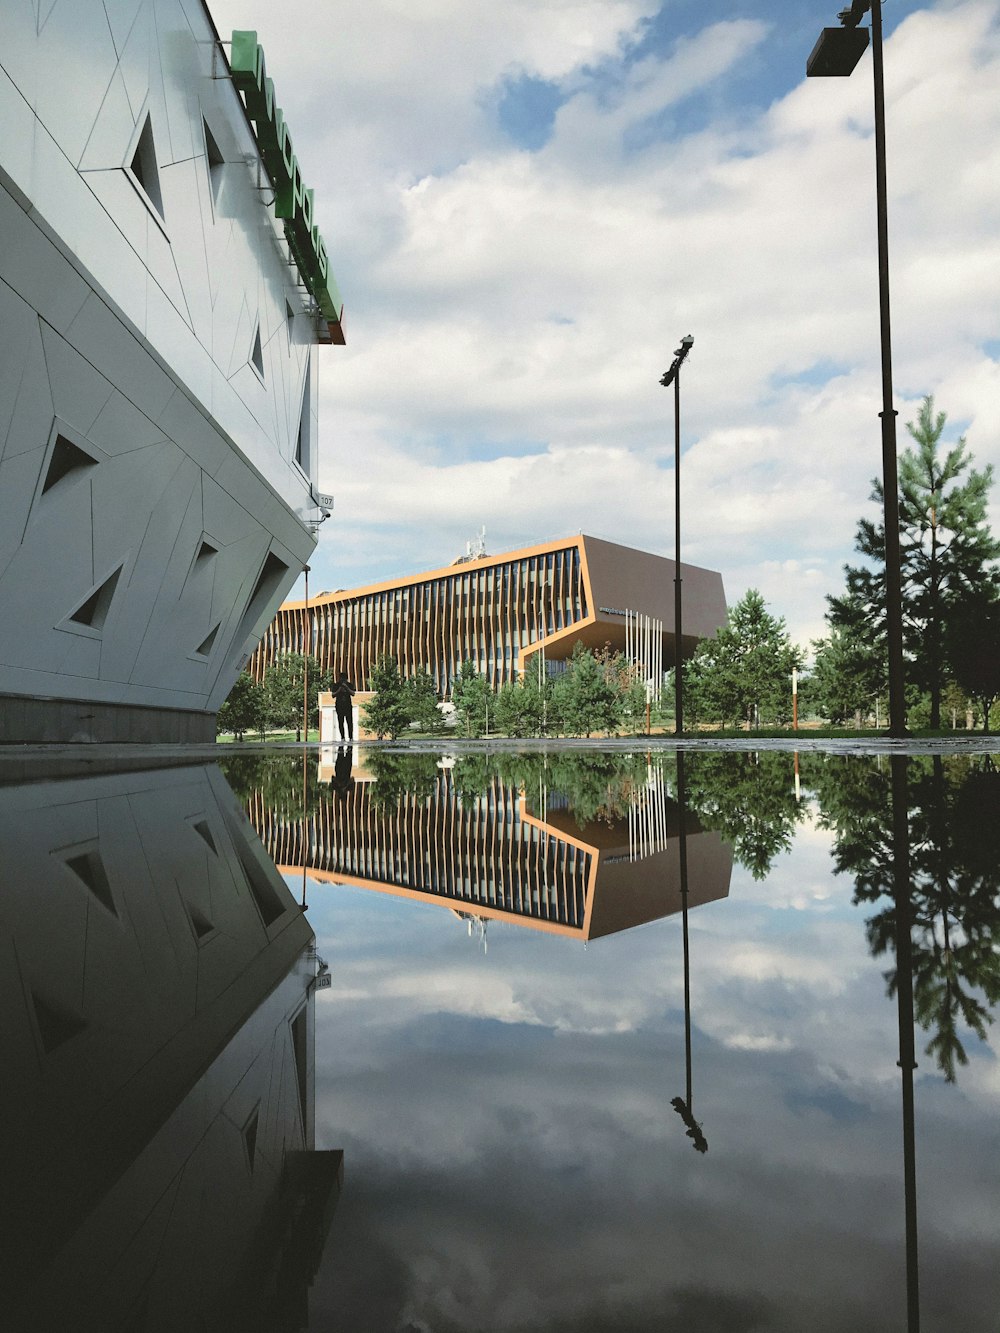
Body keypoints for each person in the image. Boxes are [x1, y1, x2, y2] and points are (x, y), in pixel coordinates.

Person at [333, 670, 356, 741]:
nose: (342, 680)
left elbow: (353, 693)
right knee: (341, 722)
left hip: (348, 706)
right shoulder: (336, 685)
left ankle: (351, 737)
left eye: (344, 679)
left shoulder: (349, 685)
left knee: (349, 722)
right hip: (339, 706)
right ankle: (342, 737)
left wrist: (347, 688)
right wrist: (339, 690)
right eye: (341, 679)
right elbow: (333, 695)